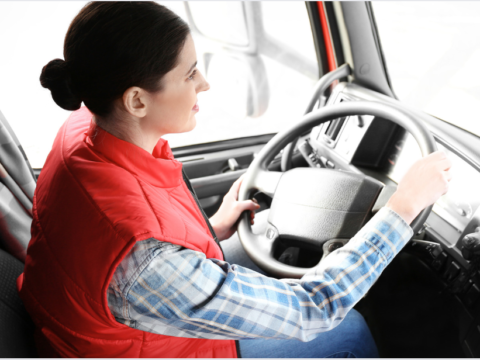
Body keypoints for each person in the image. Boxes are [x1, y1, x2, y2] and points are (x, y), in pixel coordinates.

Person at [17, 2, 452, 358]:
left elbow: (129, 222)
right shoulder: (147, 260)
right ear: (136, 101)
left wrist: (209, 229)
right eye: (189, 74)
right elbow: (312, 308)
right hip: (157, 347)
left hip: (111, 328)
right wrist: (402, 210)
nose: (204, 84)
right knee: (348, 329)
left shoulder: (83, 131)